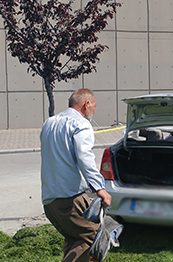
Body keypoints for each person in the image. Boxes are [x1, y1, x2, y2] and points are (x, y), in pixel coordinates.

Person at [41, 88, 112, 262]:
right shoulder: (80, 124)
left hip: (50, 200)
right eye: (94, 106)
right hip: (70, 197)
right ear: (86, 104)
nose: (94, 111)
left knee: (75, 239)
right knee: (95, 235)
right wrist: (100, 188)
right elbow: (85, 157)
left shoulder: (49, 123)